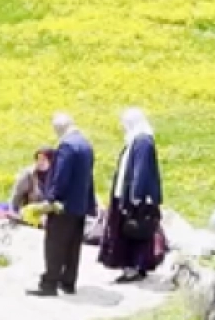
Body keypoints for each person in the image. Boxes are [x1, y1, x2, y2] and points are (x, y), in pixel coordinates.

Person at [30, 113, 95, 297]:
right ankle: (68, 281)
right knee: (73, 245)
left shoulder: (66, 146)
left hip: (63, 205)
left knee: (55, 243)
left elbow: (61, 176)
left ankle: (50, 282)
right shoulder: (85, 144)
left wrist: (50, 199)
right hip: (80, 203)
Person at [99, 108, 164, 283]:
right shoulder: (137, 140)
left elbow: (140, 170)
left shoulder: (142, 141)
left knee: (134, 231)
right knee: (130, 231)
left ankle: (135, 266)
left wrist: (136, 195)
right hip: (127, 195)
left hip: (134, 198)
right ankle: (135, 266)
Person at [10, 149, 54, 214]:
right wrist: (14, 212)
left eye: (43, 160)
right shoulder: (28, 174)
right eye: (38, 159)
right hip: (31, 212)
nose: (40, 162)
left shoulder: (57, 174)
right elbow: (16, 196)